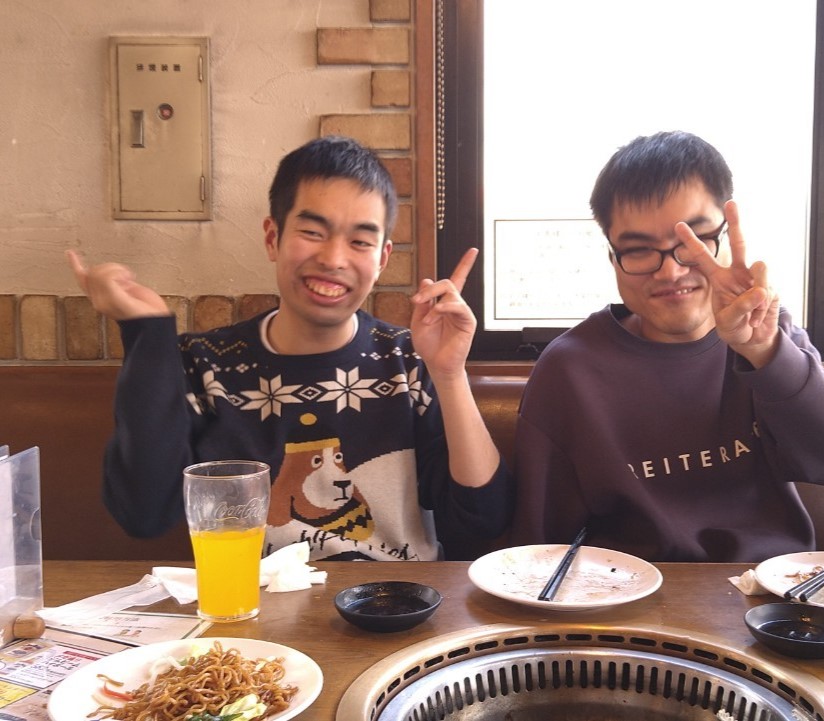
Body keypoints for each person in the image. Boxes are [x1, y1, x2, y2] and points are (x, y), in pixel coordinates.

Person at [68, 135, 512, 561]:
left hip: (396, 603)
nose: (334, 259)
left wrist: (449, 374)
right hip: (250, 604)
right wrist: (148, 335)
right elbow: (144, 513)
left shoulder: (409, 361)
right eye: (313, 231)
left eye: (360, 241)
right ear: (272, 238)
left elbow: (482, 520)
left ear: (381, 259)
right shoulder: (204, 366)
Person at [510, 130, 824, 563]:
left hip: (768, 588)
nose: (670, 273)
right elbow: (538, 540)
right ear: (612, 257)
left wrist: (765, 351)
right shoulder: (571, 368)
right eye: (638, 249)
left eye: (692, 242)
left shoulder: (768, 335)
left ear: (726, 236)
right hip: (623, 591)